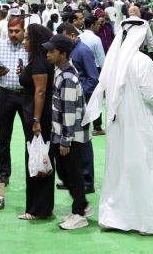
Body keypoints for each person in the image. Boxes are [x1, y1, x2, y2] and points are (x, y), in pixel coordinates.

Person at [86, 20, 153, 235]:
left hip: (117, 125)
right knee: (145, 169)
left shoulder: (114, 61)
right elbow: (151, 95)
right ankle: (147, 223)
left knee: (118, 169)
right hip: (140, 123)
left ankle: (113, 218)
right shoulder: (142, 61)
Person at [43, 35, 93, 230]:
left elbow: (69, 111)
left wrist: (65, 140)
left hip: (71, 136)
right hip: (63, 133)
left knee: (73, 174)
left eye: (52, 51)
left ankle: (79, 214)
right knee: (65, 172)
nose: (48, 54)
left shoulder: (67, 78)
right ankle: (82, 205)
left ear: (63, 54)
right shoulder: (61, 72)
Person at [16, 24, 56, 221]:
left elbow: (40, 91)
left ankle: (37, 208)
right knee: (39, 157)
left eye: (27, 38)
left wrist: (36, 120)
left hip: (37, 117)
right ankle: (41, 207)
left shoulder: (40, 61)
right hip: (35, 115)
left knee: (37, 158)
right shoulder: (38, 60)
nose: (24, 42)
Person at [0, 10, 27, 185]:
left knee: (30, 137)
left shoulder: (29, 47)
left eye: (17, 31)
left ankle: (32, 172)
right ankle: (4, 173)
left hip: (26, 96)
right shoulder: (0, 46)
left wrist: (26, 72)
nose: (13, 34)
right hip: (6, 96)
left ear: (24, 30)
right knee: (3, 138)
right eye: (11, 31)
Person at [56, 23, 98, 189]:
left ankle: (87, 181)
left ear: (72, 36)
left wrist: (80, 96)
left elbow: (93, 78)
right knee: (72, 142)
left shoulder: (83, 51)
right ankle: (74, 179)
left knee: (83, 142)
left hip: (81, 103)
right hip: (71, 101)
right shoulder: (72, 51)